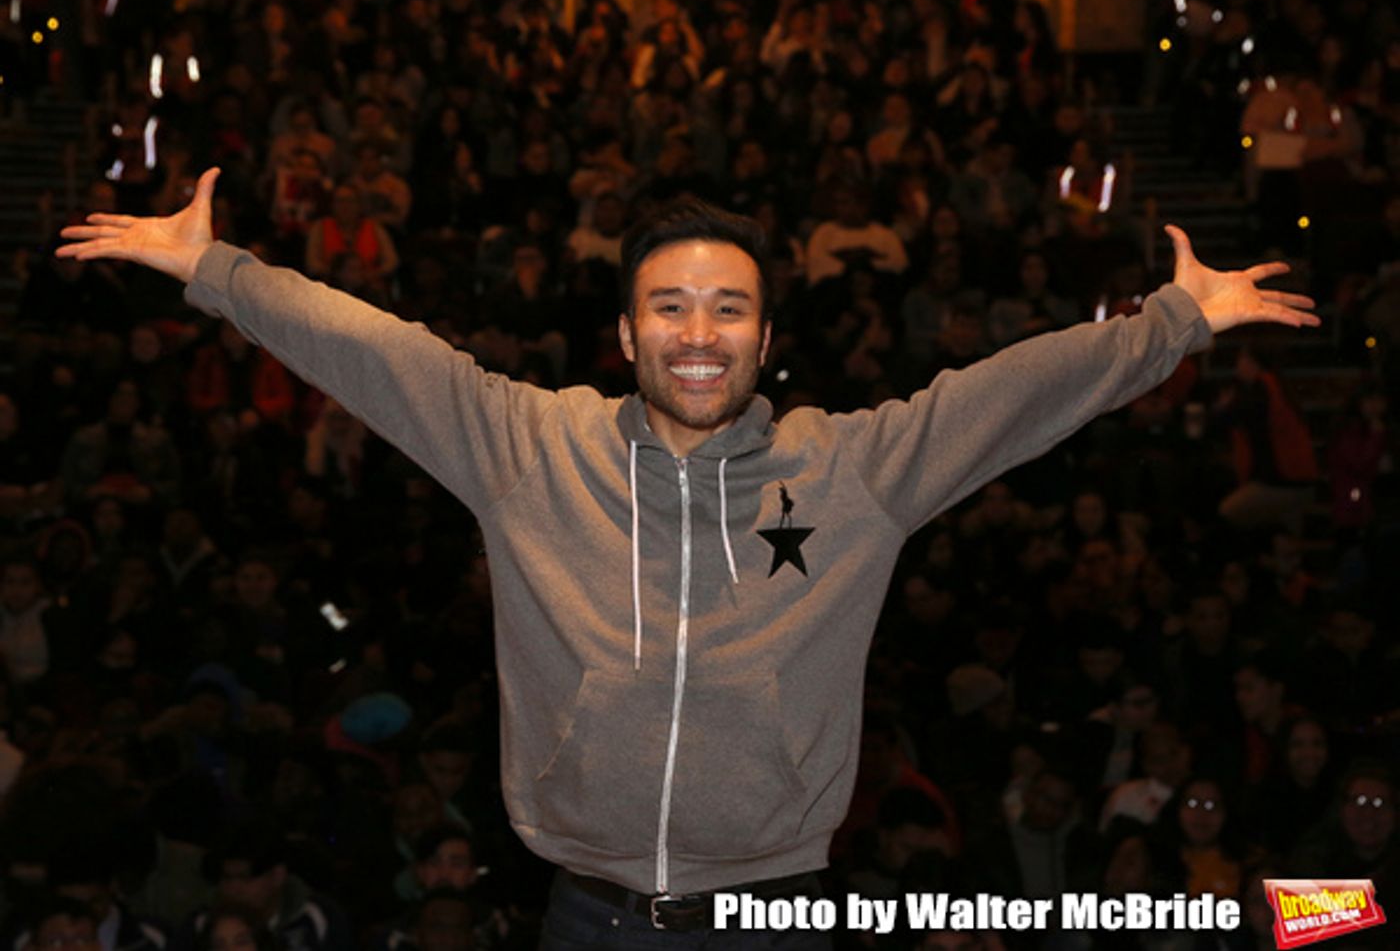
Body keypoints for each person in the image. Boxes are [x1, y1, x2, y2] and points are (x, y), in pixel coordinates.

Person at [58, 168, 1317, 946]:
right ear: (625, 331)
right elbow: (379, 350)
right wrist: (213, 271)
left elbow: (1007, 392)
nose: (697, 333)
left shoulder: (848, 470)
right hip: (586, 916)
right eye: (668, 306)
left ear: (767, 339)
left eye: (727, 309)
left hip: (775, 920)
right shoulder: (526, 447)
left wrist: (1171, 324)